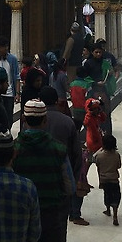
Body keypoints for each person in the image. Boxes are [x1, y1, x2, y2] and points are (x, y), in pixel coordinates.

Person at [13, 100, 72, 242]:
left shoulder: (13, 150)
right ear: (45, 120)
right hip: (50, 216)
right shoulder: (58, 149)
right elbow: (70, 187)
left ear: (23, 119)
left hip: (21, 216)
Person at [40, 86, 87, 227]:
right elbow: (76, 155)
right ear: (56, 101)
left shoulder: (32, 122)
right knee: (58, 226)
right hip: (61, 180)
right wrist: (72, 179)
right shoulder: (67, 122)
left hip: (39, 181)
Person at [94, 133, 122, 226]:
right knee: (116, 197)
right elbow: (119, 166)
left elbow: (97, 163)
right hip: (114, 179)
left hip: (104, 180)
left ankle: (107, 210)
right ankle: (115, 215)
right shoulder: (116, 155)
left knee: (107, 195)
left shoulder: (100, 156)